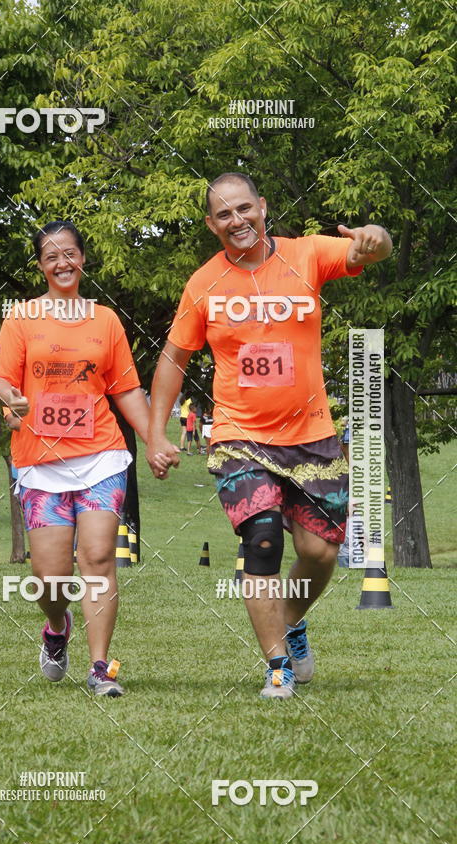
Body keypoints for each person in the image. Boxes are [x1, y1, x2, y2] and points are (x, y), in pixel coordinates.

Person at [147, 172, 392, 699]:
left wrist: (374, 236)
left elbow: (371, 251)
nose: (237, 221)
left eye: (244, 209)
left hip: (312, 434)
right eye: (224, 214)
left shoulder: (306, 256)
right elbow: (173, 359)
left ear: (263, 206)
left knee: (321, 553)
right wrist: (154, 434)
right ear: (212, 225)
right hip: (240, 434)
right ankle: (276, 666)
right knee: (261, 540)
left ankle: (291, 621)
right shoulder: (203, 283)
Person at [0, 220, 168, 697]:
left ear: (82, 258)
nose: (61, 262)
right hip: (39, 461)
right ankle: (56, 626)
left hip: (101, 455)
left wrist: (153, 439)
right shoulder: (22, 318)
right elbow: (0, 380)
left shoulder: (105, 320)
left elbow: (125, 389)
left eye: (69, 253)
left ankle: (99, 667)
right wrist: (12, 403)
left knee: (99, 558)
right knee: (50, 577)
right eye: (51, 256)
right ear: (41, 266)